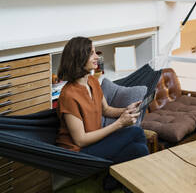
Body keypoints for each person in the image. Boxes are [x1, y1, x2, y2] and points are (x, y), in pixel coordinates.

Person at [56, 36, 149, 191]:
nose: (96, 56)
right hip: (79, 153)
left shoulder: (92, 81)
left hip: (96, 141)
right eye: (91, 53)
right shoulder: (68, 95)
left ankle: (115, 183)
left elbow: (106, 110)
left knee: (139, 150)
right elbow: (80, 140)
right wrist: (120, 123)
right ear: (79, 58)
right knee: (137, 133)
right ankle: (130, 184)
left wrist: (126, 110)